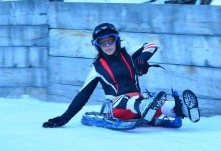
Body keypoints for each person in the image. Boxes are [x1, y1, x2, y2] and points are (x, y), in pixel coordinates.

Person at [43, 22, 200, 128]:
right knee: (134, 101)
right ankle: (145, 106)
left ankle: (181, 109)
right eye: (102, 42)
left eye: (110, 40)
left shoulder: (128, 53)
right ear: (97, 45)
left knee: (158, 104)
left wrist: (141, 59)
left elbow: (152, 45)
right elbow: (81, 97)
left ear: (117, 40)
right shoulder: (97, 68)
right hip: (117, 108)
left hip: (141, 103)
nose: (107, 45)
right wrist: (64, 119)